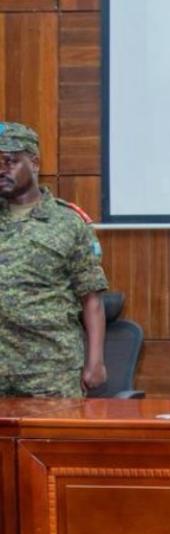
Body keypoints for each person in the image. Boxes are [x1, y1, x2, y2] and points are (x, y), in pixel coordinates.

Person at [0, 122, 109, 398]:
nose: (2, 170)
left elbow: (92, 299)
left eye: (10, 161)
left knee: (51, 441)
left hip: (50, 371)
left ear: (34, 163)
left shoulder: (68, 223)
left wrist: (95, 362)